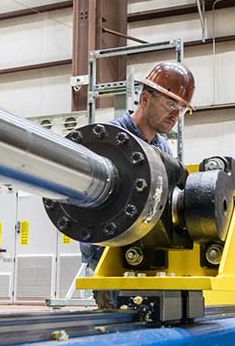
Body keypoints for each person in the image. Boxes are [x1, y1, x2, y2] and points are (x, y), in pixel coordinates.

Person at [80, 61, 195, 309]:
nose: (176, 113)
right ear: (145, 98)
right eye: (170, 103)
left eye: (182, 108)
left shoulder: (163, 149)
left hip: (149, 260)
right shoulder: (110, 139)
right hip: (112, 262)